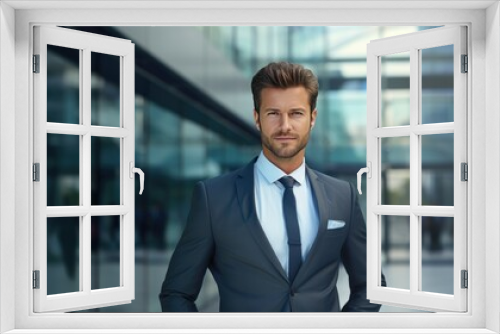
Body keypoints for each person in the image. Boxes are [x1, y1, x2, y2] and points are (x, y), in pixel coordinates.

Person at [159, 62, 385, 312]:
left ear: (313, 118)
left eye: (296, 113)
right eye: (273, 113)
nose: (285, 125)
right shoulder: (213, 197)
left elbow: (371, 286)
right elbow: (176, 293)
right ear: (257, 118)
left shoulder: (343, 195)